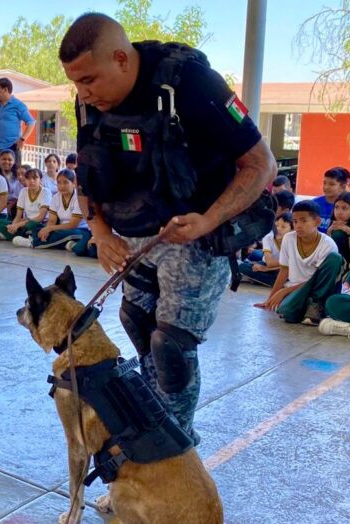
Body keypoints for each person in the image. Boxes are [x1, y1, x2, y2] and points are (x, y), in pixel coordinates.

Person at [59, 13, 276, 441]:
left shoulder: (191, 84)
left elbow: (260, 164)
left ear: (121, 58)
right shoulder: (90, 100)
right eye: (76, 82)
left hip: (197, 232)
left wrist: (208, 220)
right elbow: (88, 172)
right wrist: (99, 232)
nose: (82, 93)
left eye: (89, 80)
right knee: (137, 323)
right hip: (137, 233)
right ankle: (151, 435)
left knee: (170, 347)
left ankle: (173, 451)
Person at [255, 201, 342, 324]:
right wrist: (270, 299)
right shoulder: (289, 238)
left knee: (335, 258)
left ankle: (315, 305)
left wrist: (284, 291)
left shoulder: (327, 244)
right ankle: (307, 307)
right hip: (297, 289)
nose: (298, 226)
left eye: (303, 221)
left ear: (317, 222)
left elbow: (319, 280)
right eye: (295, 221)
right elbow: (284, 270)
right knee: (285, 311)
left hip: (319, 291)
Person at [12, 170, 88, 250]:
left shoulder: (79, 198)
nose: (62, 186)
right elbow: (52, 220)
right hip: (60, 228)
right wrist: (47, 230)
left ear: (73, 184)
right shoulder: (56, 197)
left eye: (65, 182)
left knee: (64, 233)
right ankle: (67, 244)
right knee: (40, 229)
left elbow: (73, 225)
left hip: (78, 230)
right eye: (59, 183)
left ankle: (32, 243)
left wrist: (50, 228)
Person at [0, 167, 51, 241]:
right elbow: (18, 216)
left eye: (35, 178)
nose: (31, 181)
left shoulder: (46, 192)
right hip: (25, 223)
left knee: (31, 224)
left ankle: (19, 236)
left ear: (40, 179)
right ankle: (22, 235)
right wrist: (13, 226)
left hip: (39, 223)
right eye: (28, 179)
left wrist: (18, 225)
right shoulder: (23, 191)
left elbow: (41, 217)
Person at [239, 212, 294, 287]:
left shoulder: (294, 240)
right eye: (276, 225)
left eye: (283, 227)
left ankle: (258, 278)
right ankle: (278, 283)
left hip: (283, 269)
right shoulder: (268, 237)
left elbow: (293, 264)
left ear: (292, 230)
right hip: (270, 265)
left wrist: (266, 269)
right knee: (243, 267)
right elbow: (270, 263)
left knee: (288, 273)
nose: (278, 229)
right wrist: (265, 267)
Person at [0, 77, 36, 162]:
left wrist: (22, 139)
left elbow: (31, 122)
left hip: (12, 147)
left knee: (14, 173)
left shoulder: (18, 105)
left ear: (5, 89)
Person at [313, 167, 349, 233]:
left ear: (343, 187)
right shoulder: (314, 204)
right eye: (324, 183)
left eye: (332, 184)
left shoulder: (348, 204)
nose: (326, 187)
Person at [327, 191, 350, 266]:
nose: (339, 212)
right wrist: (328, 234)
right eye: (336, 207)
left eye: (344, 208)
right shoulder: (333, 226)